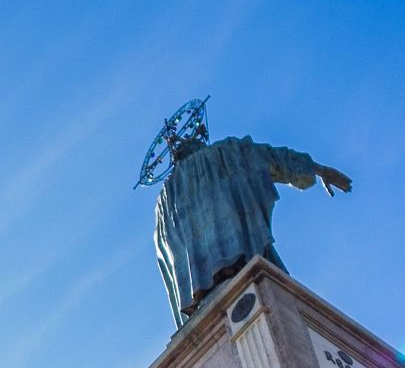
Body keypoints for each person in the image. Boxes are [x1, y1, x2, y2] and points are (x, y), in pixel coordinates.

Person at [147, 101, 351, 320]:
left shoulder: (164, 200)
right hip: (245, 258)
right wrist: (318, 169)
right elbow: (274, 158)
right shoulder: (226, 152)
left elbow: (167, 258)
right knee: (285, 305)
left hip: (201, 290)